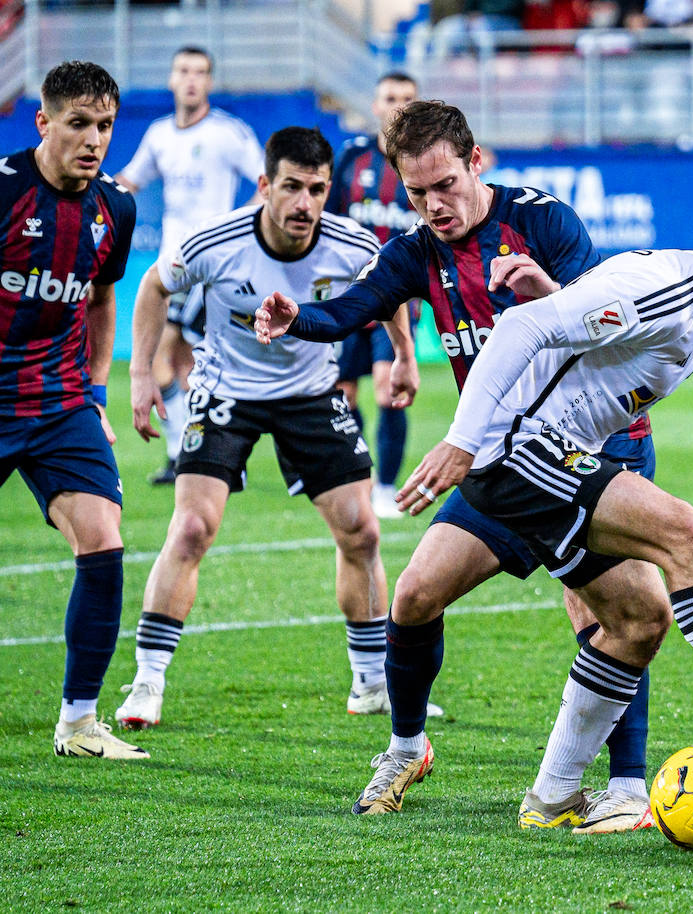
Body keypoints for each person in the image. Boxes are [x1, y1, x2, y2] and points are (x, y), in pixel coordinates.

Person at [259, 178, 693, 829]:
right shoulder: (665, 288)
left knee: (640, 618)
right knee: (687, 536)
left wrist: (557, 301)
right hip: (517, 454)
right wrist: (462, 441)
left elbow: (578, 330)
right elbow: (523, 327)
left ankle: (556, 795)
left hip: (544, 459)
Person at [253, 101, 662, 833]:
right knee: (412, 597)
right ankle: (406, 749)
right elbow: (352, 307)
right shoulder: (416, 252)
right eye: (415, 193)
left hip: (598, 448)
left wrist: (546, 292)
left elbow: (606, 319)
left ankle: (626, 785)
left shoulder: (544, 222)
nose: (433, 205)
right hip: (505, 461)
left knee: (610, 612)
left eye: (444, 184)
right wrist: (296, 320)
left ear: (478, 161)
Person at [115, 127, 433, 731]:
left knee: (362, 530)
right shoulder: (216, 242)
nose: (305, 203)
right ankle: (147, 683)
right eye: (291, 187)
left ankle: (369, 683)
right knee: (190, 529)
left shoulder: (349, 244)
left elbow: (390, 291)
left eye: (317, 189)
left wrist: (405, 356)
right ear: (265, 186)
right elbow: (154, 286)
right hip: (224, 390)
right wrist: (141, 377)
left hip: (311, 394)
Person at [1, 61, 146, 759]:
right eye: (79, 124)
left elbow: (99, 300)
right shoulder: (3, 192)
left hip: (60, 403)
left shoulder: (115, 208)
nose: (94, 140)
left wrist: (95, 391)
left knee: (104, 540)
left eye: (106, 126)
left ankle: (80, 723)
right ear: (44, 123)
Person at [115, 46, 263, 486]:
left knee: (166, 356)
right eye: (184, 70)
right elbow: (129, 180)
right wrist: (91, 189)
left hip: (210, 264)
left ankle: (192, 453)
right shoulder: (160, 134)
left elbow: (264, 184)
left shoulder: (227, 133)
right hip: (169, 265)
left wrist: (236, 231)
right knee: (185, 364)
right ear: (172, 79)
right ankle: (195, 454)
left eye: (200, 72)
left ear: (210, 82)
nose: (192, 79)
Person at [326, 72, 422, 520]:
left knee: (388, 391)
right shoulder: (351, 159)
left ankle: (385, 487)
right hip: (350, 296)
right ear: (376, 105)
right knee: (344, 396)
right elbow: (327, 223)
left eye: (407, 98)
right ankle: (359, 478)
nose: (399, 106)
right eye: (391, 98)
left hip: (399, 299)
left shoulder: (424, 163)